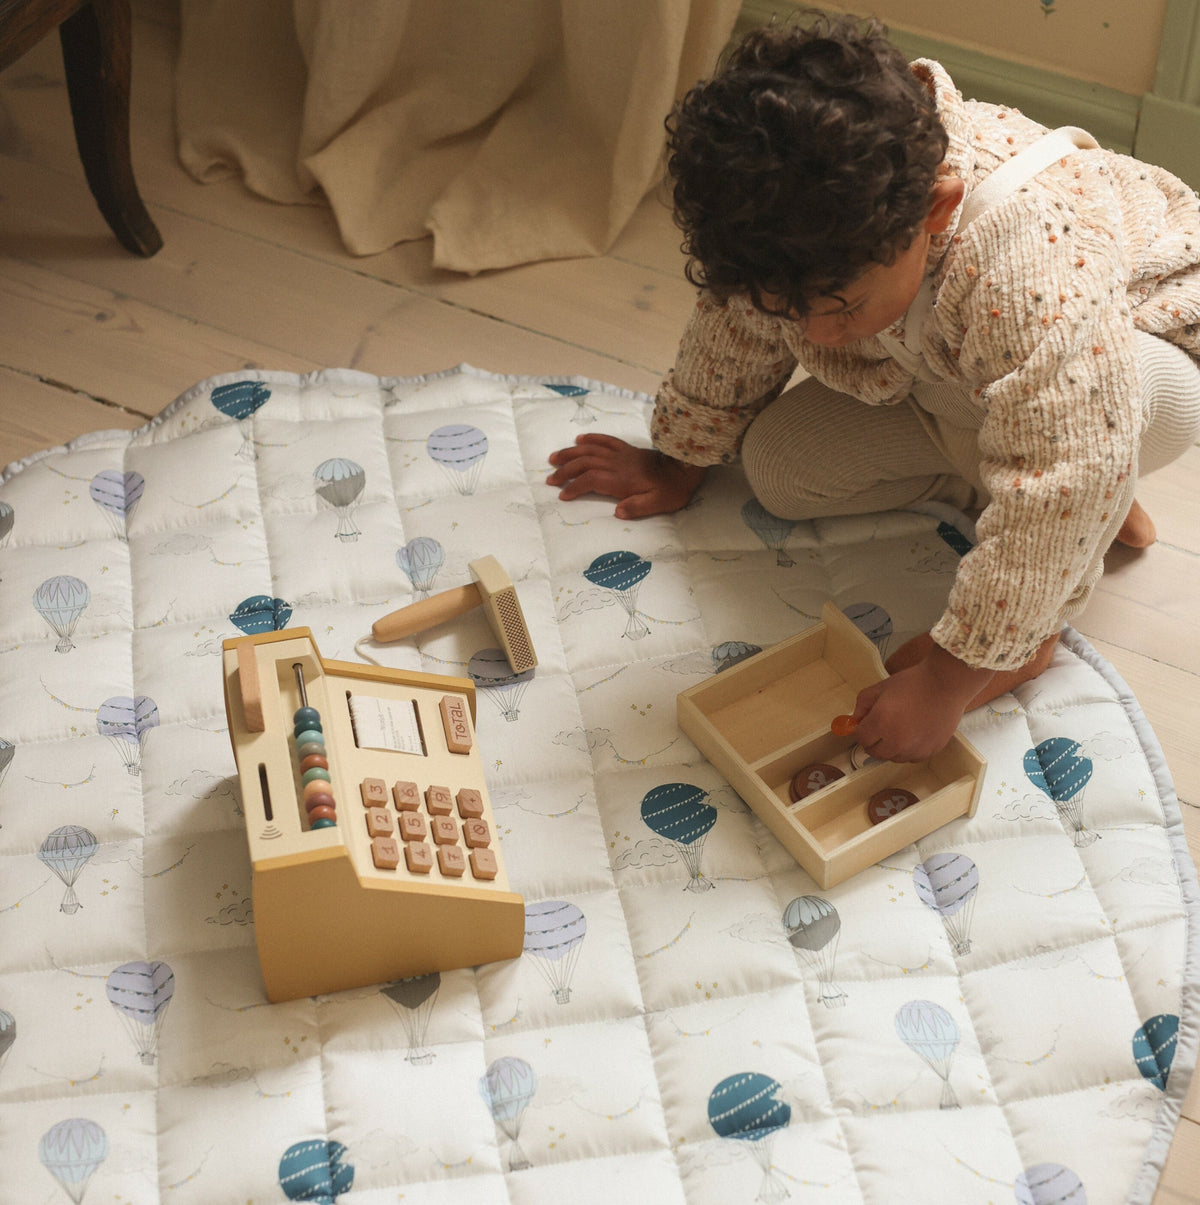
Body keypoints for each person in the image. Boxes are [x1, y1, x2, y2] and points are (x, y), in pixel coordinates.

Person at [546, 13, 1200, 762]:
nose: (816, 338)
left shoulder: (1027, 262)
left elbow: (1079, 437)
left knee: (1089, 436)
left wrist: (954, 675)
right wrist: (678, 459)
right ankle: (1037, 494)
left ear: (937, 213)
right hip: (971, 384)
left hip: (1144, 361)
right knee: (778, 471)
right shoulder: (801, 229)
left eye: (843, 309)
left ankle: (1054, 565)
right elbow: (734, 329)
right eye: (792, 311)